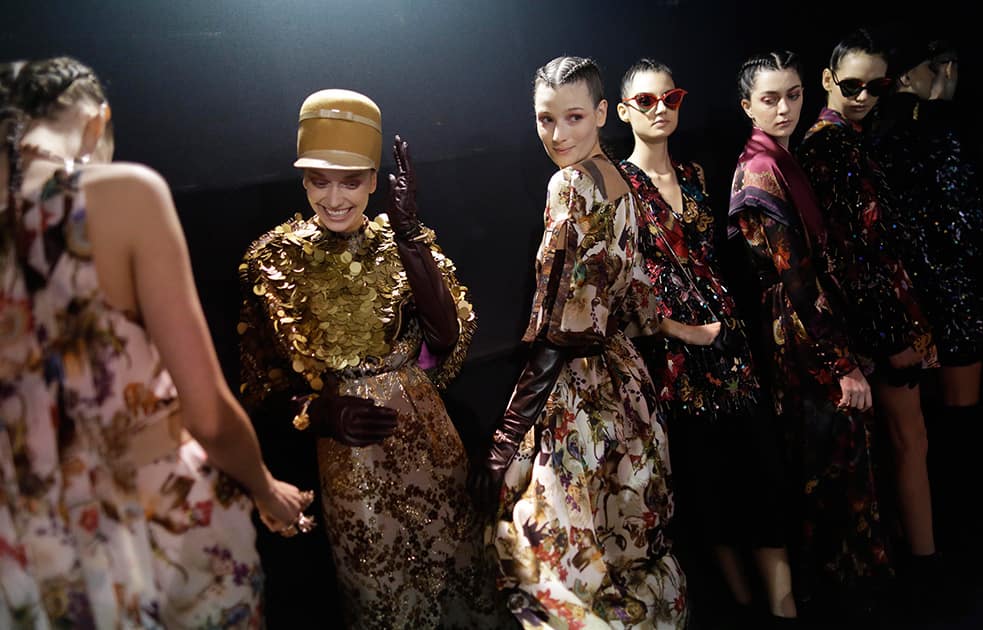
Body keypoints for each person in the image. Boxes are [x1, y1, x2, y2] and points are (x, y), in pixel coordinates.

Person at [0, 56, 310, 629]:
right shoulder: (122, 194)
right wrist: (266, 489)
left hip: (27, 556)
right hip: (157, 531)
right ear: (97, 123)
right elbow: (209, 414)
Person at [239, 88, 508, 629]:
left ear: (374, 179)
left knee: (463, 570)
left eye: (351, 180)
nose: (335, 197)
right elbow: (259, 382)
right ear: (302, 180)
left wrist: (408, 235)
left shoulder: (401, 242)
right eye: (319, 179)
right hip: (350, 461)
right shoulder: (270, 260)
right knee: (381, 595)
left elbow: (448, 336)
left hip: (428, 439)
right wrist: (320, 415)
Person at [470, 55, 688, 629]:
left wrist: (508, 433)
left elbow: (564, 319)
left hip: (578, 389)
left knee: (541, 559)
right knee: (622, 549)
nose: (558, 135)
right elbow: (640, 300)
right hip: (626, 385)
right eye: (545, 120)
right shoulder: (621, 180)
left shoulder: (568, 185)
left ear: (598, 113)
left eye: (573, 117)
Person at [617, 58, 796, 625]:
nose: (660, 109)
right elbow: (615, 289)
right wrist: (679, 330)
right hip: (677, 367)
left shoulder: (694, 174)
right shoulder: (618, 189)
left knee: (765, 483)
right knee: (711, 497)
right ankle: (744, 610)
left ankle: (782, 609)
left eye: (669, 98)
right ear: (622, 111)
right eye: (646, 101)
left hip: (736, 354)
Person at [729, 50, 892, 618]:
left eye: (793, 95)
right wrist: (841, 363)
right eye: (770, 98)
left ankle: (843, 594)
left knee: (835, 471)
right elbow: (796, 280)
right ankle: (834, 600)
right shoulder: (758, 168)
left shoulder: (781, 158)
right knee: (825, 472)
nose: (784, 108)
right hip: (800, 339)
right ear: (747, 104)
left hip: (811, 330)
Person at [796, 28, 941, 591]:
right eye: (849, 84)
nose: (861, 95)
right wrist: (893, 331)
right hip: (874, 322)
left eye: (874, 85)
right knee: (909, 439)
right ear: (828, 80)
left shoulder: (850, 139)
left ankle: (915, 558)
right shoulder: (829, 146)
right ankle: (925, 567)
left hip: (883, 313)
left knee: (904, 441)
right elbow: (847, 254)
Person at [868, 34, 983, 561]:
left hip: (905, 301)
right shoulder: (936, 130)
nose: (950, 73)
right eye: (942, 65)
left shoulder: (875, 133)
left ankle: (930, 541)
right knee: (957, 427)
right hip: (951, 297)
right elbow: (967, 225)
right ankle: (964, 541)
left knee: (918, 436)